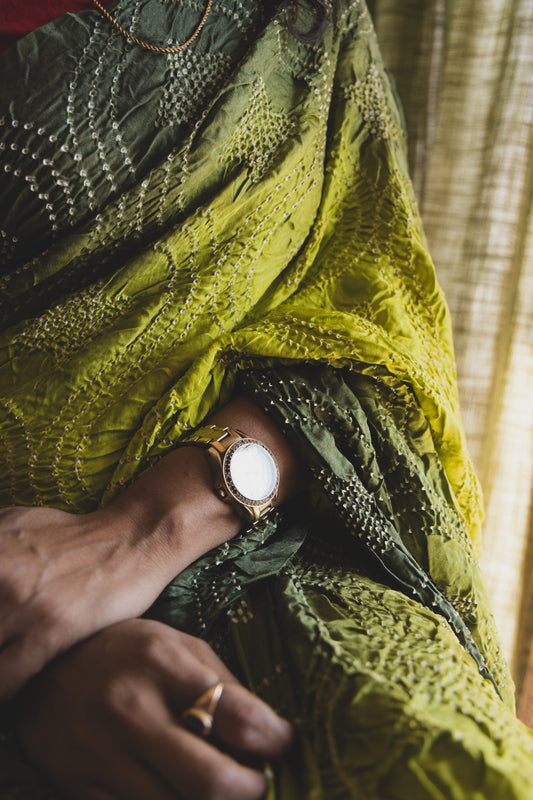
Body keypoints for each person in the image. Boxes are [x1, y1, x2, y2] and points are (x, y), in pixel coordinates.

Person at [1, 0, 533, 797]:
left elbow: (361, 328)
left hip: (270, 522)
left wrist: (143, 530)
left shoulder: (295, 22)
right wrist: (33, 662)